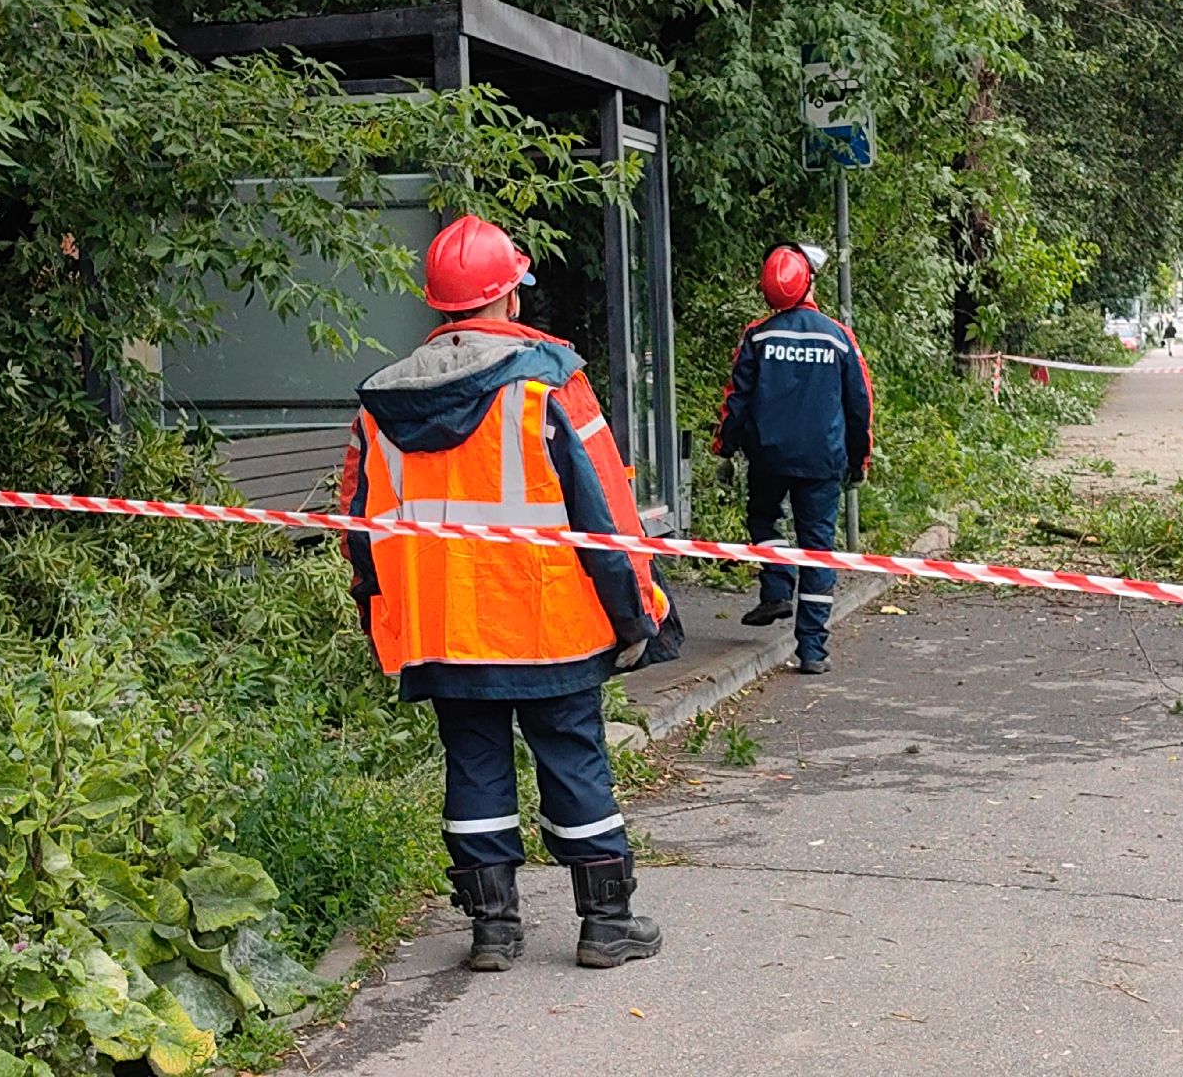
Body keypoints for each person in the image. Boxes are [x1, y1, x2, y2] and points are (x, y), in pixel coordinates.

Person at [339, 215, 679, 972]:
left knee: (475, 767)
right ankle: (606, 924)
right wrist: (638, 611)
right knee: (573, 759)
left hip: (442, 630)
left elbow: (358, 530)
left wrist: (382, 623)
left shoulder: (382, 405)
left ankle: (492, 931)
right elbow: (606, 515)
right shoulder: (547, 384)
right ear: (510, 300)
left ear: (437, 307)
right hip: (545, 623)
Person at [712, 242, 874, 675]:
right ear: (808, 282)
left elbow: (737, 401)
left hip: (768, 457)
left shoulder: (758, 336)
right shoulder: (838, 336)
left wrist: (724, 448)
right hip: (823, 461)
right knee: (819, 551)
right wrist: (860, 459)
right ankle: (813, 651)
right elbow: (859, 403)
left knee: (763, 520)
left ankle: (777, 586)